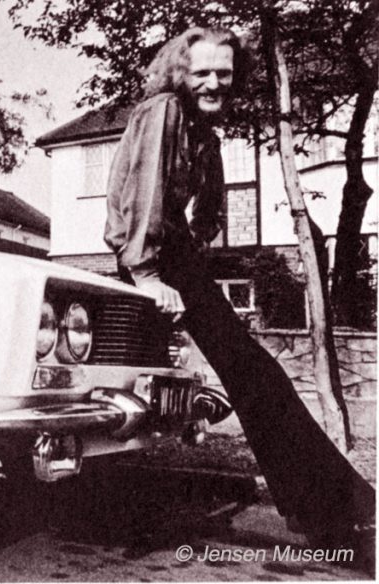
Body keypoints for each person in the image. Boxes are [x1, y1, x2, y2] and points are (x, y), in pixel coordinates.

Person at [104, 26, 375, 573]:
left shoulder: (202, 126)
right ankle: (335, 512)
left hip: (175, 253)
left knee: (245, 377)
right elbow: (142, 196)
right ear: (180, 72)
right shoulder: (164, 111)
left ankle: (334, 511)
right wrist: (146, 270)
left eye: (223, 73)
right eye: (201, 71)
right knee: (255, 375)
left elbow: (208, 212)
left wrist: (195, 240)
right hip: (154, 256)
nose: (213, 82)